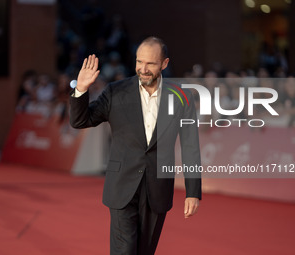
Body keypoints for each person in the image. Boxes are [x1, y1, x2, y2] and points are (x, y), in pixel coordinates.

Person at [69, 36, 201, 255]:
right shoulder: (116, 91)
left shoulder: (181, 97)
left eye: (150, 63)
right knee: (125, 250)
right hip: (122, 186)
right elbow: (80, 121)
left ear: (164, 64)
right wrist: (81, 89)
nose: (143, 68)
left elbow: (190, 146)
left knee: (144, 251)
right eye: (140, 62)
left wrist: (193, 191)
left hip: (157, 188)